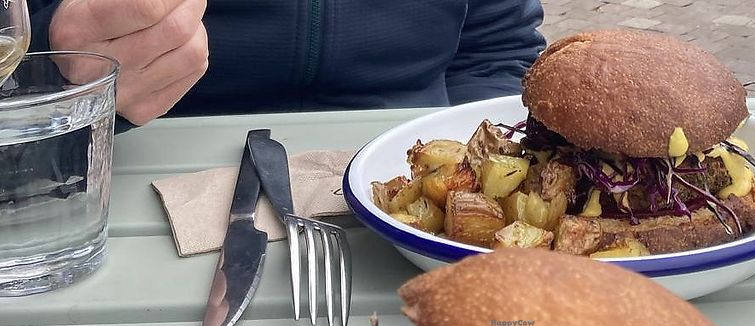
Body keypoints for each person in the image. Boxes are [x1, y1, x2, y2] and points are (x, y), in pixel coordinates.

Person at [26, 0, 546, 126]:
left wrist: (474, 167)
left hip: (409, 181)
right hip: (138, 183)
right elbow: (17, 44)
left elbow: (498, 51)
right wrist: (59, 72)